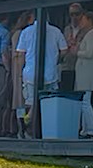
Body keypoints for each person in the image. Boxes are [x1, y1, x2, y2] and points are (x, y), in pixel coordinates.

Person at [16, 9, 66, 138]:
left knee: (30, 102)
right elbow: (64, 50)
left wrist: (20, 72)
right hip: (51, 74)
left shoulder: (26, 32)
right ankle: (46, 131)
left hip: (30, 73)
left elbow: (21, 54)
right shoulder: (56, 31)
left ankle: (27, 127)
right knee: (49, 103)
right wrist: (56, 60)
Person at [75, 10, 93, 137]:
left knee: (86, 101)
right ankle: (85, 129)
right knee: (83, 101)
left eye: (83, 19)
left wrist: (77, 52)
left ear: (89, 20)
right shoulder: (89, 34)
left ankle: (92, 129)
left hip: (87, 73)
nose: (81, 21)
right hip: (84, 73)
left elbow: (89, 53)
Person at [59, 1, 84, 92]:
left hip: (81, 67)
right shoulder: (66, 29)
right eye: (71, 14)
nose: (74, 17)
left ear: (82, 14)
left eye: (76, 14)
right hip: (67, 67)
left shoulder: (86, 29)